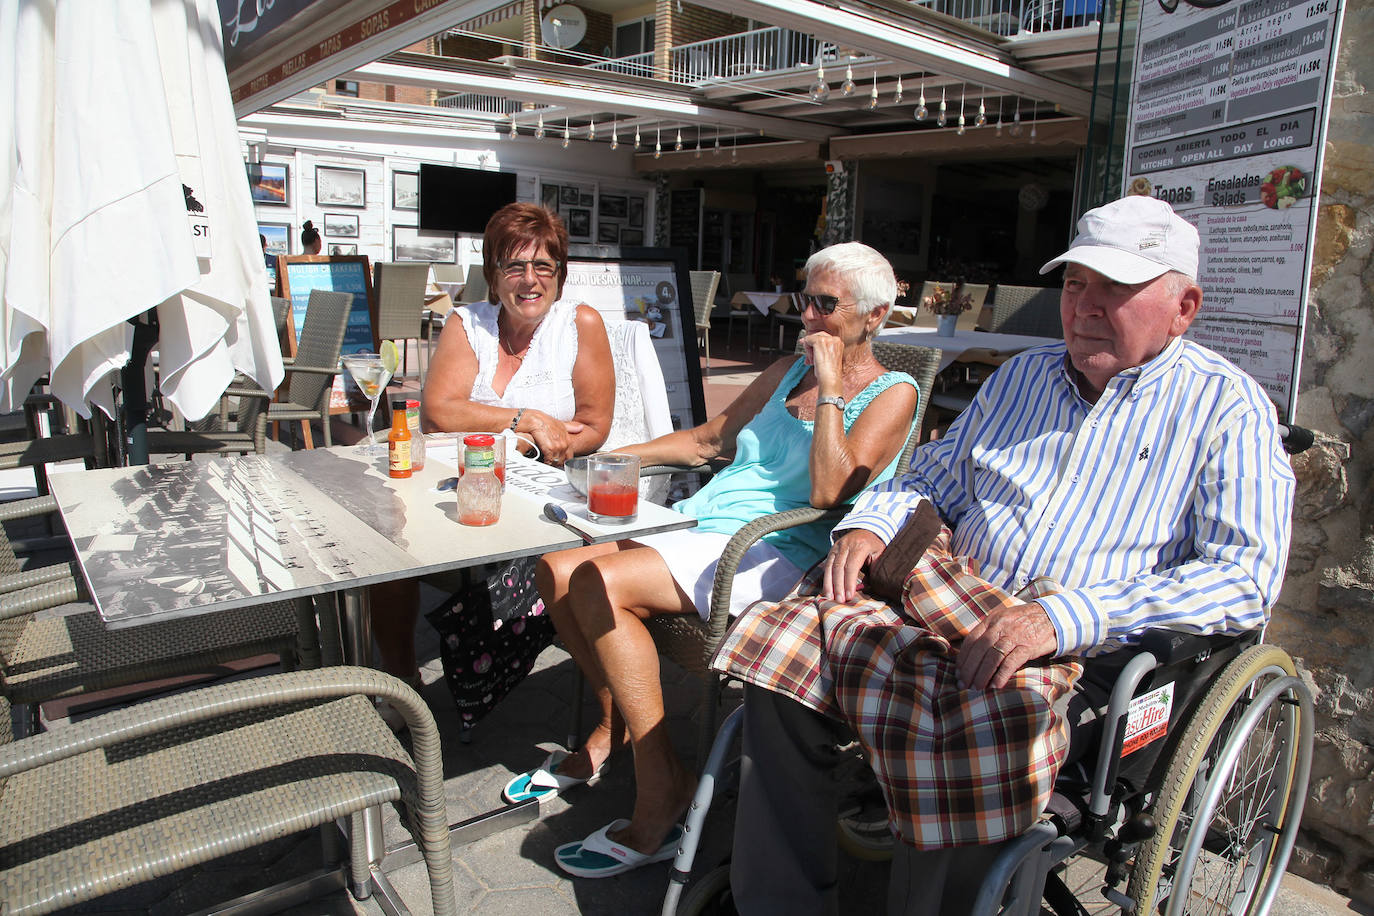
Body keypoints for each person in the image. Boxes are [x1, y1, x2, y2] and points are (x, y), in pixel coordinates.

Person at [723, 195, 1297, 915]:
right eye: (1075, 284)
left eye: (1115, 289)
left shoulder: (1227, 409)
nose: (1085, 306)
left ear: (1184, 306)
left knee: (976, 733)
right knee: (785, 663)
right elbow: (931, 477)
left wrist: (1063, 618)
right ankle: (781, 904)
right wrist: (868, 525)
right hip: (952, 608)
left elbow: (1244, 578)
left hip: (1087, 657)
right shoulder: (1022, 379)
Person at [524, 242, 920, 880]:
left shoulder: (892, 393)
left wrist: (828, 390)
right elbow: (708, 441)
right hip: (703, 524)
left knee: (596, 579)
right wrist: (605, 456)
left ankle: (664, 785)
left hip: (778, 548)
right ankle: (611, 727)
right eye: (804, 299)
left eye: (827, 305)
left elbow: (828, 490)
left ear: (873, 318)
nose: (809, 317)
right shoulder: (784, 372)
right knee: (556, 568)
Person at [369, 203, 613, 723]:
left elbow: (593, 426)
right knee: (385, 542)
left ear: (560, 275)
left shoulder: (580, 325)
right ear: (492, 276)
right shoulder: (469, 323)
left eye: (543, 266)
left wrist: (535, 438)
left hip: (546, 492)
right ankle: (400, 678)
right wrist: (525, 418)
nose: (530, 280)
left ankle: (475, 671)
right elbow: (439, 408)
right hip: (465, 480)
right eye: (514, 266)